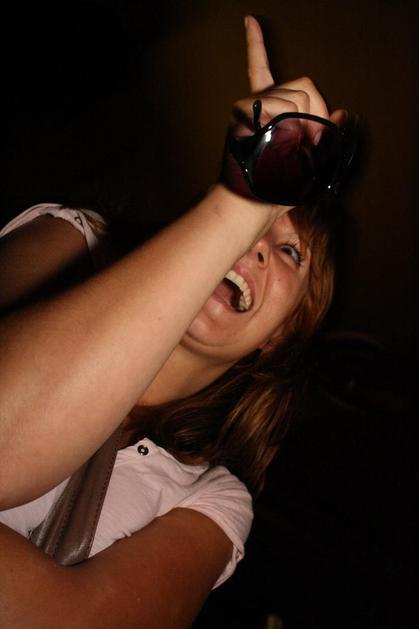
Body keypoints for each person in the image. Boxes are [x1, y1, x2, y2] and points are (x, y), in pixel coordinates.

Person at [0, 16, 352, 628]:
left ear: (279, 336)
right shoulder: (74, 239)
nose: (255, 243)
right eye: (257, 221)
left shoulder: (212, 499)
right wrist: (240, 201)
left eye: (290, 252)